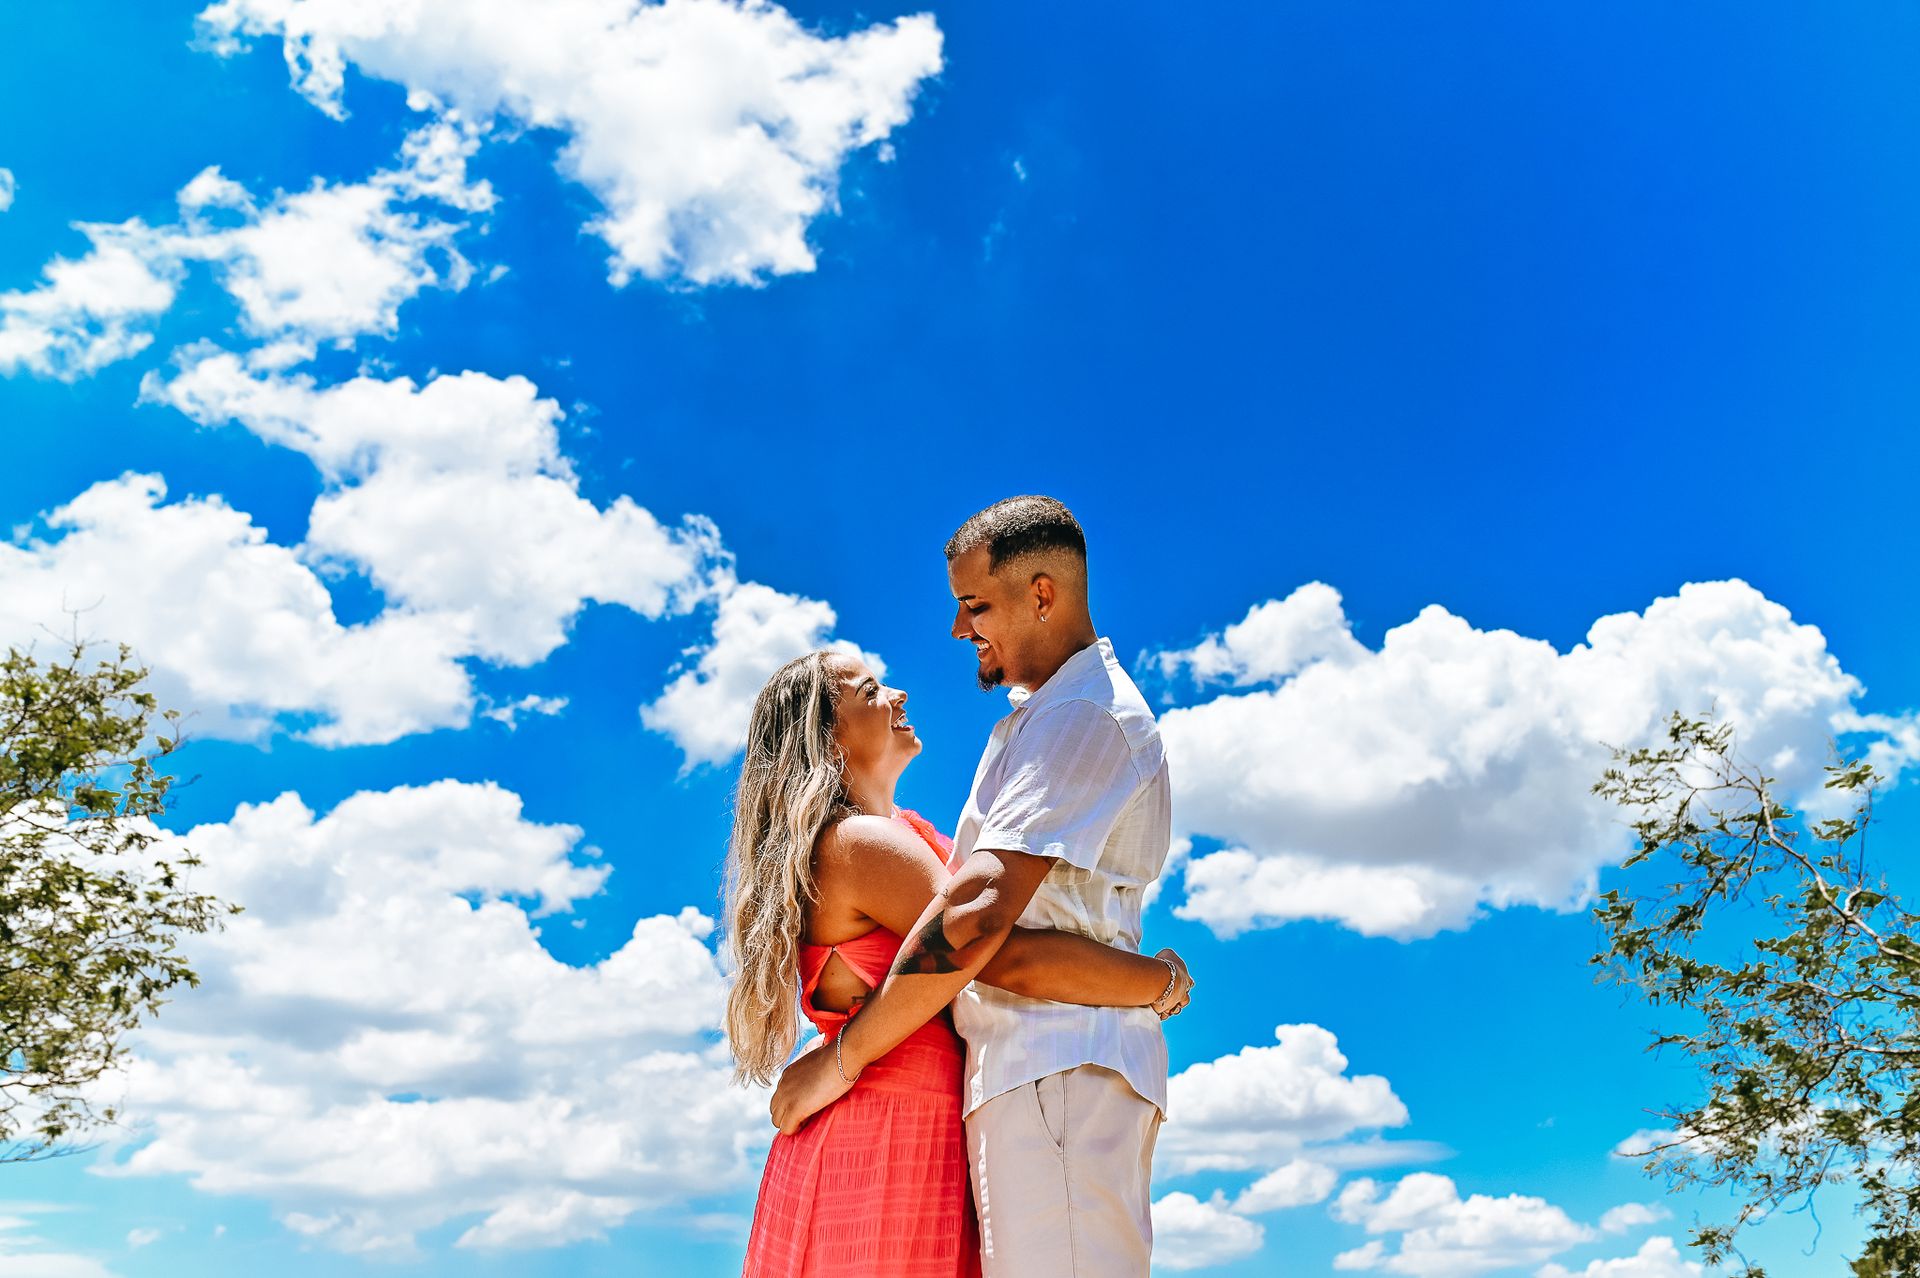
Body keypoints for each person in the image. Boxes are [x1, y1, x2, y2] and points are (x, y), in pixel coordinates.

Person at [772, 495, 1181, 1277]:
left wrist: (842, 1060)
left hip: (1058, 1065)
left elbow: (980, 923)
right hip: (1034, 1072)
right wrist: (1154, 982)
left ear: (1041, 593)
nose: (960, 629)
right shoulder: (1047, 719)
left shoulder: (1082, 717)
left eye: (974, 604)